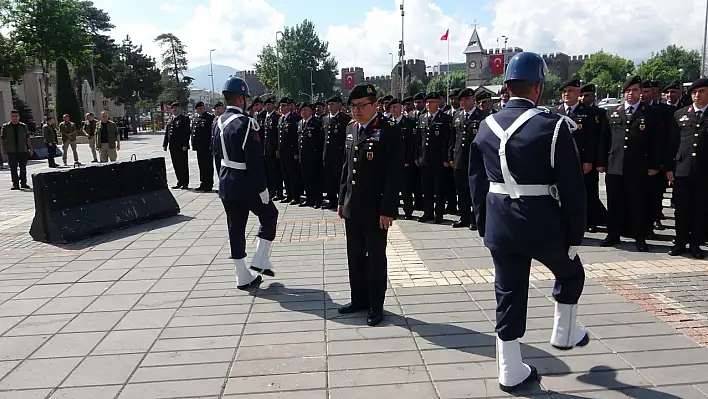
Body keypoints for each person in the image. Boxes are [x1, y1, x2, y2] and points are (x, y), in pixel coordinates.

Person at [468, 52, 589, 392]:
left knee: (508, 291)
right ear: (538, 87)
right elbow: (572, 187)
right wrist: (574, 233)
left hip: (501, 224)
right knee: (570, 272)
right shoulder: (552, 126)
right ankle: (564, 333)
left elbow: (475, 181)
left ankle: (509, 370)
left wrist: (483, 223)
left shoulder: (485, 126)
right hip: (542, 222)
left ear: (506, 87)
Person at [338, 83, 404, 327]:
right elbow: (346, 168)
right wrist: (341, 200)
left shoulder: (387, 130)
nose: (356, 110)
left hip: (376, 209)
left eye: (362, 106)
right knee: (354, 255)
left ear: (375, 105)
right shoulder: (350, 129)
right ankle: (359, 299)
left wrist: (388, 209)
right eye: (353, 106)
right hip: (353, 206)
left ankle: (376, 305)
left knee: (375, 258)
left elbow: (393, 174)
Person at [213, 76, 278, 289]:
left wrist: (222, 179)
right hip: (246, 182)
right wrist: (263, 189)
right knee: (269, 214)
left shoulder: (218, 122)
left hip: (226, 181)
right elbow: (255, 161)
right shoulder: (247, 123)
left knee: (235, 226)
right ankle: (260, 258)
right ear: (241, 98)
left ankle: (241, 275)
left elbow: (216, 156)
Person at [597, 76, 661, 252]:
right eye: (628, 91)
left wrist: (654, 164)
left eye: (634, 90)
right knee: (614, 203)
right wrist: (601, 162)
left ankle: (639, 237)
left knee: (637, 204)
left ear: (641, 92)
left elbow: (656, 141)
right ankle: (613, 235)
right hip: (615, 165)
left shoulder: (649, 113)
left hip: (638, 166)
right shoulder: (612, 112)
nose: (631, 94)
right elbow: (604, 140)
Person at [552, 79, 603, 233]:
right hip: (561, 161)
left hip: (582, 160)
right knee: (563, 192)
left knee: (587, 192)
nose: (567, 94)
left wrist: (589, 160)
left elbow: (592, 139)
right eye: (565, 91)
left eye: (571, 91)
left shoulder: (588, 112)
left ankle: (589, 220)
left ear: (578, 93)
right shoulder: (555, 113)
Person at [666, 78, 708, 259]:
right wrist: (669, 168)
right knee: (681, 208)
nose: (697, 96)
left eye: (702, 92)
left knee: (700, 209)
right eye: (694, 93)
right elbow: (672, 144)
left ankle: (696, 244)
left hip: (704, 171)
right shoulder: (680, 114)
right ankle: (680, 242)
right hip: (682, 170)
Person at [450, 88, 486, 229]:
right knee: (462, 190)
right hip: (459, 159)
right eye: (461, 100)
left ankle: (475, 219)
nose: (463, 102)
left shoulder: (482, 116)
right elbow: (453, 138)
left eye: (466, 99)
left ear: (473, 100)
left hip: (475, 160)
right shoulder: (458, 116)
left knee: (475, 191)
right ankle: (464, 217)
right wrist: (450, 156)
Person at [416, 91, 453, 223]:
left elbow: (448, 141)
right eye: (426, 102)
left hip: (439, 160)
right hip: (425, 159)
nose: (427, 104)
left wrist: (446, 159)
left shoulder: (445, 119)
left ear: (437, 103)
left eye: (430, 102)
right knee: (427, 189)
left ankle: (439, 215)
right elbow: (419, 140)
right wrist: (418, 156)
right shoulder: (422, 118)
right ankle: (428, 213)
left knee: (439, 189)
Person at [322, 95, 351, 209]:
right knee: (329, 179)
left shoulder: (344, 119)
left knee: (340, 178)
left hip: (339, 154)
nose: (330, 106)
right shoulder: (325, 119)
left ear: (339, 105)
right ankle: (332, 200)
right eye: (328, 104)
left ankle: (341, 201)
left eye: (332, 104)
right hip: (327, 154)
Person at [298, 102, 325, 208]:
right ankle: (309, 199)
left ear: (311, 111)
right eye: (302, 110)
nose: (303, 112)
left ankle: (318, 200)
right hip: (303, 155)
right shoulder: (300, 123)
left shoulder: (317, 122)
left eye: (306, 110)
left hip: (314, 156)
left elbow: (320, 140)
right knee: (306, 178)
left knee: (316, 178)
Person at [278, 97, 303, 204]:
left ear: (289, 106)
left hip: (291, 152)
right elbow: (279, 136)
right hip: (283, 152)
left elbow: (296, 137)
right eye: (280, 106)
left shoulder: (295, 118)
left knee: (293, 175)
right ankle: (288, 194)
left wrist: (296, 152)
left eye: (284, 105)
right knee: (285, 174)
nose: (281, 108)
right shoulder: (281, 119)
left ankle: (296, 196)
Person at [0, 110, 33, 190]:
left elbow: (27, 138)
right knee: (13, 168)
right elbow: (2, 138)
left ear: (19, 117)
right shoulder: (6, 127)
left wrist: (30, 148)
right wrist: (2, 149)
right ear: (10, 117)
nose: (14, 118)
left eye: (16, 116)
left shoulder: (23, 126)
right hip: (11, 151)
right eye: (13, 116)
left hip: (22, 150)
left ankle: (23, 183)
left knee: (23, 167)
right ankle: (15, 184)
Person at [163, 102, 191, 189]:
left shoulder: (184, 119)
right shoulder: (170, 119)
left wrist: (185, 144)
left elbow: (186, 133)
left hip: (181, 146)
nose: (174, 110)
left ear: (179, 109)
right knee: (176, 164)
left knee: (183, 164)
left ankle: (185, 182)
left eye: (176, 108)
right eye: (173, 108)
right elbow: (167, 133)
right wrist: (165, 144)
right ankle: (179, 181)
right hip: (173, 146)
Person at [192, 101, 216, 192]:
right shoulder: (196, 118)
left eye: (201, 108)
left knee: (208, 166)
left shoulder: (209, 117)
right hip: (199, 147)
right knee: (201, 165)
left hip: (207, 146)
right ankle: (203, 182)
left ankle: (209, 184)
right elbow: (194, 132)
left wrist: (211, 145)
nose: (200, 110)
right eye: (198, 108)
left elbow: (211, 132)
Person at [263, 97, 283, 200]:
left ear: (273, 105)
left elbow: (277, 135)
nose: (267, 107)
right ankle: (272, 191)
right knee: (269, 171)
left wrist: (277, 149)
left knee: (276, 171)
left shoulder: (276, 117)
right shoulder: (266, 117)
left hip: (274, 148)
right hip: (267, 148)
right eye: (266, 105)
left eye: (269, 105)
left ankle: (279, 192)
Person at [212, 101, 225, 181]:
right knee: (218, 167)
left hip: (222, 148)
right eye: (216, 109)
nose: (217, 111)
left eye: (219, 109)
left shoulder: (224, 119)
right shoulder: (215, 119)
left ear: (223, 109)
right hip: (215, 148)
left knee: (223, 168)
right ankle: (221, 184)